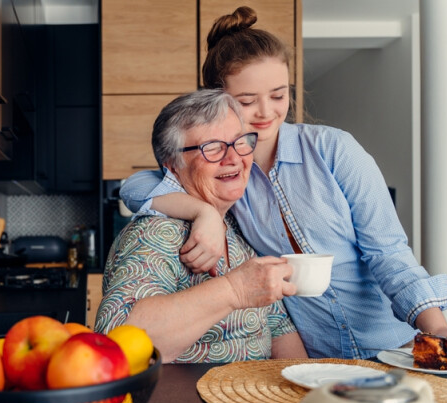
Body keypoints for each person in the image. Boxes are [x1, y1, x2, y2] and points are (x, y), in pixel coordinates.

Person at [119, 6, 447, 362]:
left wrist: (440, 329)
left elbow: (389, 254)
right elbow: (135, 187)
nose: (267, 112)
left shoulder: (334, 150)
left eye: (279, 95)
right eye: (247, 100)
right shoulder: (230, 172)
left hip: (393, 346)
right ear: (217, 100)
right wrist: (204, 213)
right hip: (319, 357)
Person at [95, 88, 308, 363]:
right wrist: (234, 290)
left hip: (253, 401)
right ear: (172, 166)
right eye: (212, 148)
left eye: (239, 142)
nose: (233, 158)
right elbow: (117, 339)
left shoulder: (238, 226)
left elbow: (278, 326)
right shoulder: (157, 233)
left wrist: (301, 392)